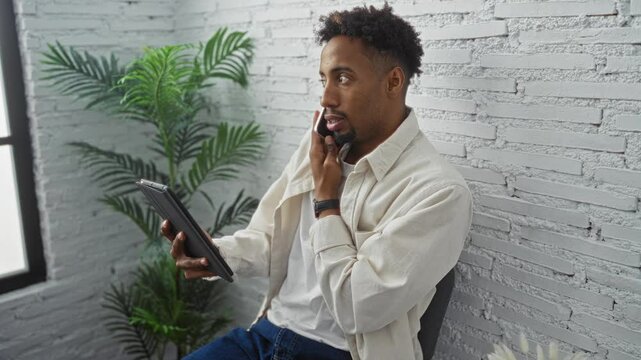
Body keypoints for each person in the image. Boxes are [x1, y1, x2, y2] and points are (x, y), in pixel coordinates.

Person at [161, 4, 472, 360]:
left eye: (343, 78)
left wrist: (326, 202)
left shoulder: (438, 192)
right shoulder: (320, 149)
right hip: (266, 336)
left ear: (393, 81)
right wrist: (213, 254)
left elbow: (358, 308)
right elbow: (271, 239)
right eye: (324, 79)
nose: (326, 98)